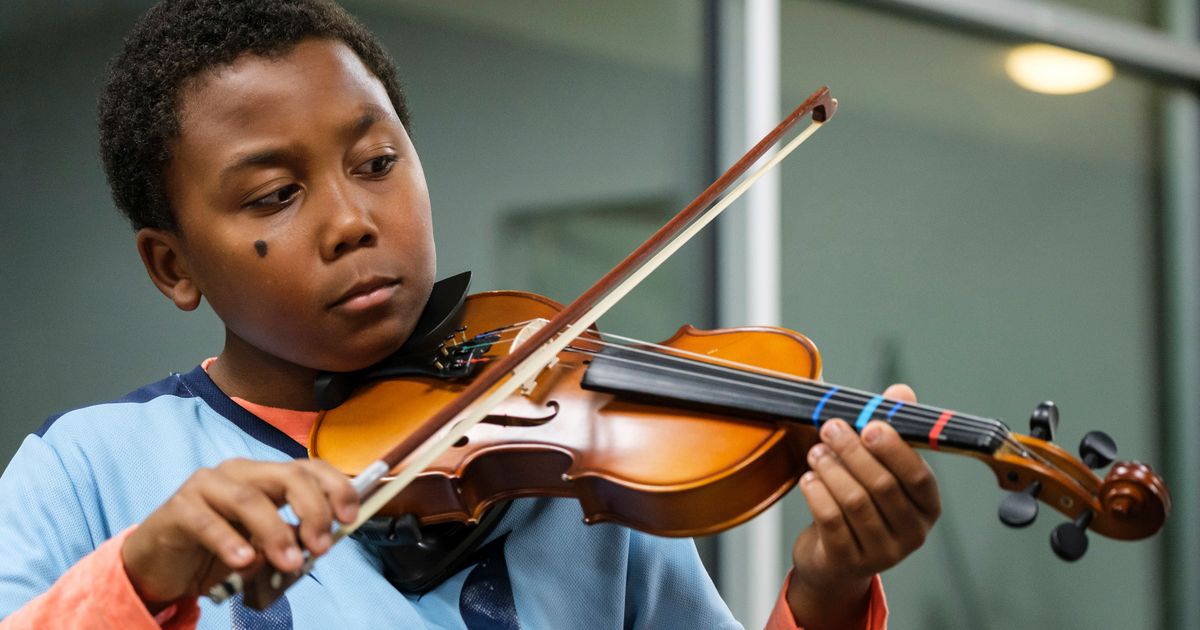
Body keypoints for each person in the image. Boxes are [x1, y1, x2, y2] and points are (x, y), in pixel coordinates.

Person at [0, 1, 940, 628]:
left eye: (377, 164)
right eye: (276, 195)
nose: (352, 222)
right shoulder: (91, 469)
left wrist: (826, 592)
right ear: (173, 266)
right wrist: (144, 575)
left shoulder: (568, 473)